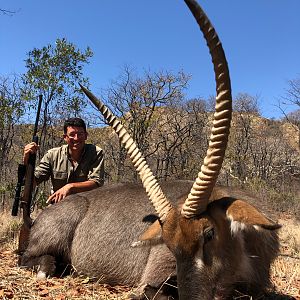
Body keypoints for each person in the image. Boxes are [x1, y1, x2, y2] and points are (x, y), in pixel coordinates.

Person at [23, 117, 104, 204]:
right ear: (65, 137)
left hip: (87, 205)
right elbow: (33, 182)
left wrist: (70, 187)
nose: (76, 138)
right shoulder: (52, 155)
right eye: (72, 134)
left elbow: (96, 183)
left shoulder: (96, 152)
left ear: (86, 136)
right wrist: (26, 161)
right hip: (58, 206)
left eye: (80, 134)